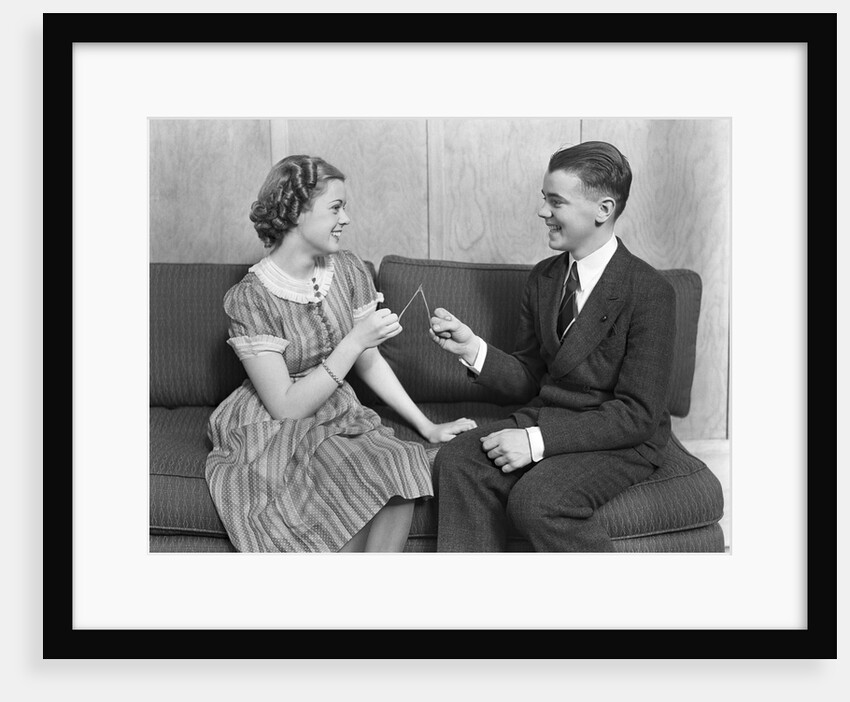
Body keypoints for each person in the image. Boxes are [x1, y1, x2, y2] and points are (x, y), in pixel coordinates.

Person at [205, 154, 477, 553]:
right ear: (296, 212)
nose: (346, 218)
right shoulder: (250, 298)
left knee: (398, 464)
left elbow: (369, 361)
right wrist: (354, 341)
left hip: (336, 408)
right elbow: (286, 407)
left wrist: (427, 427)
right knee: (342, 490)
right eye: (336, 207)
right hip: (272, 421)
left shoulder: (347, 269)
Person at [428, 141, 677, 552]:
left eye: (556, 202)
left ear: (603, 209)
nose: (543, 212)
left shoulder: (651, 292)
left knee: (537, 501)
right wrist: (472, 349)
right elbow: (530, 379)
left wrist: (535, 441)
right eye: (545, 200)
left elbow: (638, 415)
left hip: (621, 439)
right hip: (549, 417)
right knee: (457, 459)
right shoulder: (544, 279)